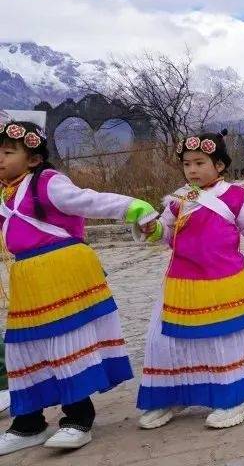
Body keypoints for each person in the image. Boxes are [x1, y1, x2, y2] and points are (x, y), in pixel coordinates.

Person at [0, 121, 156, 455]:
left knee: (65, 343)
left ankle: (78, 418)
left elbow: (89, 201)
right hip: (27, 277)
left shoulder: (47, 183)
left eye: (8, 152)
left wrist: (133, 208)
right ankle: (28, 423)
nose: (0, 159)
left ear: (33, 159)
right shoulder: (5, 192)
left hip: (63, 271)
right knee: (23, 349)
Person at [135, 131, 244, 430]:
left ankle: (236, 398)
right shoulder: (178, 199)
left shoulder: (235, 196)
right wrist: (151, 229)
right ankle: (176, 393)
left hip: (223, 280)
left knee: (221, 340)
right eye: (187, 164)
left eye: (199, 163)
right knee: (169, 341)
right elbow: (166, 232)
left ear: (219, 165)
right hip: (181, 281)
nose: (192, 170)